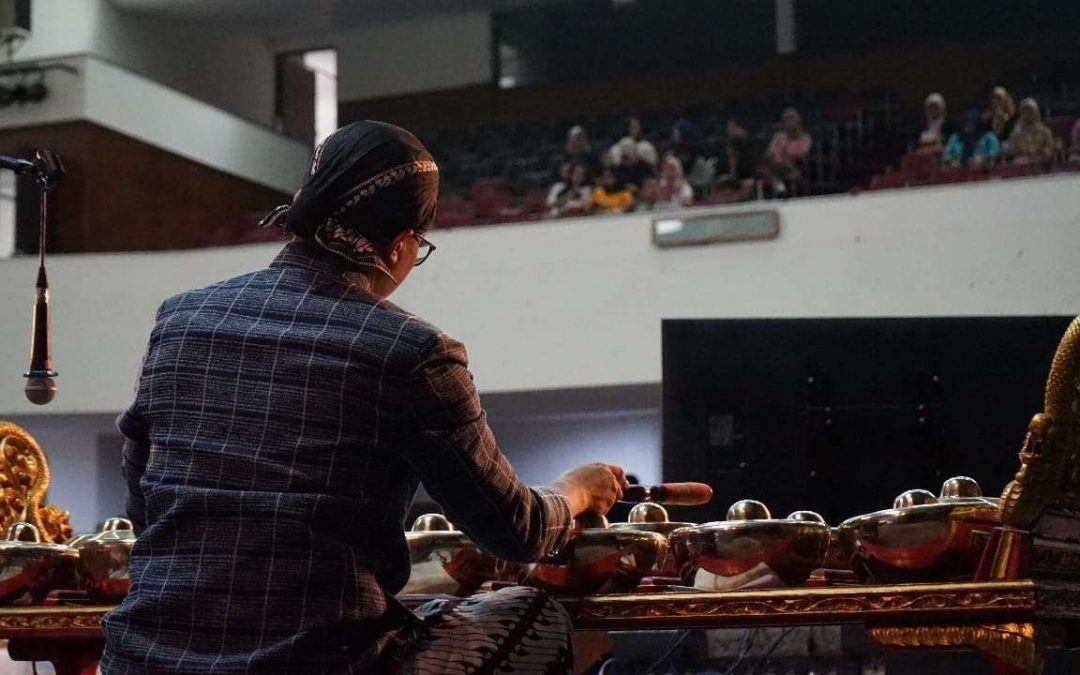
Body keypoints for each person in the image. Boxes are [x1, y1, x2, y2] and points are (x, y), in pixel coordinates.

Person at [100, 121, 628, 674]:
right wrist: (576, 490)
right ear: (401, 246)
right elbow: (514, 530)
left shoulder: (181, 318)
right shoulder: (411, 350)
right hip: (317, 663)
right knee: (535, 615)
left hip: (142, 659)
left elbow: (142, 493)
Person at [760, 107, 813, 197]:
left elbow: (800, 157)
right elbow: (770, 154)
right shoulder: (779, 136)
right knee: (766, 165)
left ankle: (780, 186)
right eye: (786, 119)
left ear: (799, 120)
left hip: (794, 169)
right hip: (774, 168)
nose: (789, 122)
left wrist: (785, 156)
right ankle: (779, 186)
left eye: (791, 118)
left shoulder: (806, 139)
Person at [1003, 98, 1055, 166]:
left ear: (1036, 113)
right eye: (1025, 113)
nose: (1027, 115)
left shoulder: (1045, 131)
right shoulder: (1016, 133)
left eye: (1030, 112)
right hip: (1021, 163)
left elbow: (1050, 149)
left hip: (1041, 163)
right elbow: (1009, 150)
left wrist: (1040, 152)